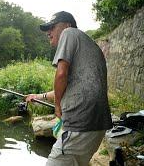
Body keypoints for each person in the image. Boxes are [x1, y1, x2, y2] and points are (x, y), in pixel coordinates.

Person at [25, 11, 113, 166]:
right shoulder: (89, 46)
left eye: (52, 27)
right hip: (98, 125)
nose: (48, 32)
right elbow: (68, 87)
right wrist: (38, 96)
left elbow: (61, 74)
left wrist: (58, 106)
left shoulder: (69, 33)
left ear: (67, 25)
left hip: (80, 120)